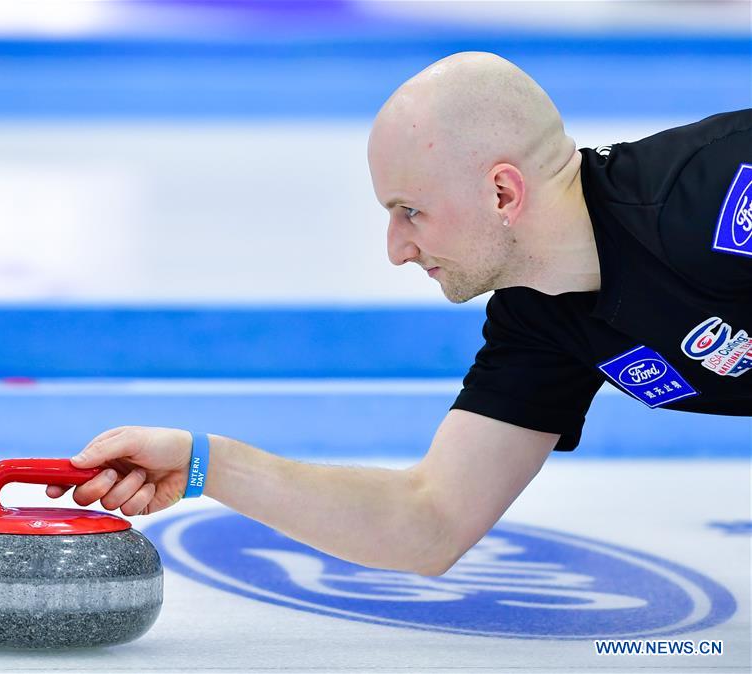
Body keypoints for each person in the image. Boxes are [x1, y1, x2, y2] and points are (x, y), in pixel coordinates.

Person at [47, 52, 751, 577]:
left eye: (408, 211)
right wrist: (206, 463)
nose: (396, 250)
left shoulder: (717, 193)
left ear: (501, 194)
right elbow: (426, 523)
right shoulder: (537, 322)